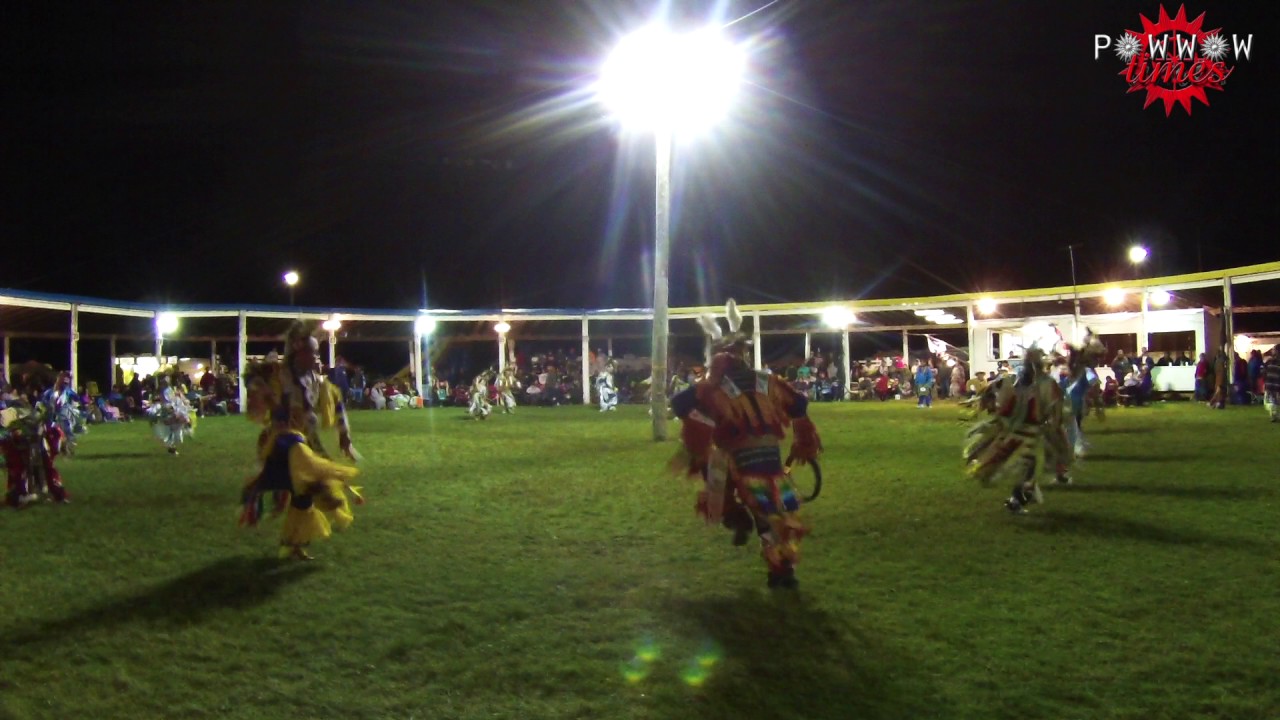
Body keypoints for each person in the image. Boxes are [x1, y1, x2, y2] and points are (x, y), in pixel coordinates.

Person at [670, 299, 822, 589]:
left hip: (740, 462)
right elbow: (800, 404)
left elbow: (678, 403)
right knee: (771, 513)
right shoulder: (767, 381)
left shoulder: (713, 388)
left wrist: (703, 416)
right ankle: (781, 569)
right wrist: (802, 438)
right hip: (770, 462)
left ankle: (737, 519)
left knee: (724, 486)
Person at [239, 322, 362, 560]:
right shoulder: (279, 374)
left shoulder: (318, 381)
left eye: (317, 352)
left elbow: (337, 404)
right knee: (300, 451)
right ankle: (314, 479)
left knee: (304, 493)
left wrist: (345, 437)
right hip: (281, 441)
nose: (316, 356)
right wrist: (267, 396)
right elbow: (251, 378)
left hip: (306, 442)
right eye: (312, 351)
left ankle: (293, 543)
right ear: (297, 350)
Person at [964, 323, 1072, 514]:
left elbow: (995, 396)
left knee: (1027, 466)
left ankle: (1020, 496)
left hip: (1016, 431)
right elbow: (1053, 411)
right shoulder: (1037, 384)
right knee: (1028, 466)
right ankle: (1018, 498)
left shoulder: (1019, 382)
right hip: (1025, 433)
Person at [148, 374, 195, 454]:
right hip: (168, 414)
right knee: (168, 432)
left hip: (172, 413)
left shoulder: (170, 391)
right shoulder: (163, 393)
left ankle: (173, 445)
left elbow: (173, 402)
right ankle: (171, 448)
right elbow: (164, 403)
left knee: (176, 434)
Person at [1263, 347, 1280, 422]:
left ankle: (1273, 415)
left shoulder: (1269, 362)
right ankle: (1274, 414)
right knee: (1274, 400)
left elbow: (1263, 371)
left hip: (1270, 383)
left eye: (1274, 350)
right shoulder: (1270, 361)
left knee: (1271, 400)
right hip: (1275, 384)